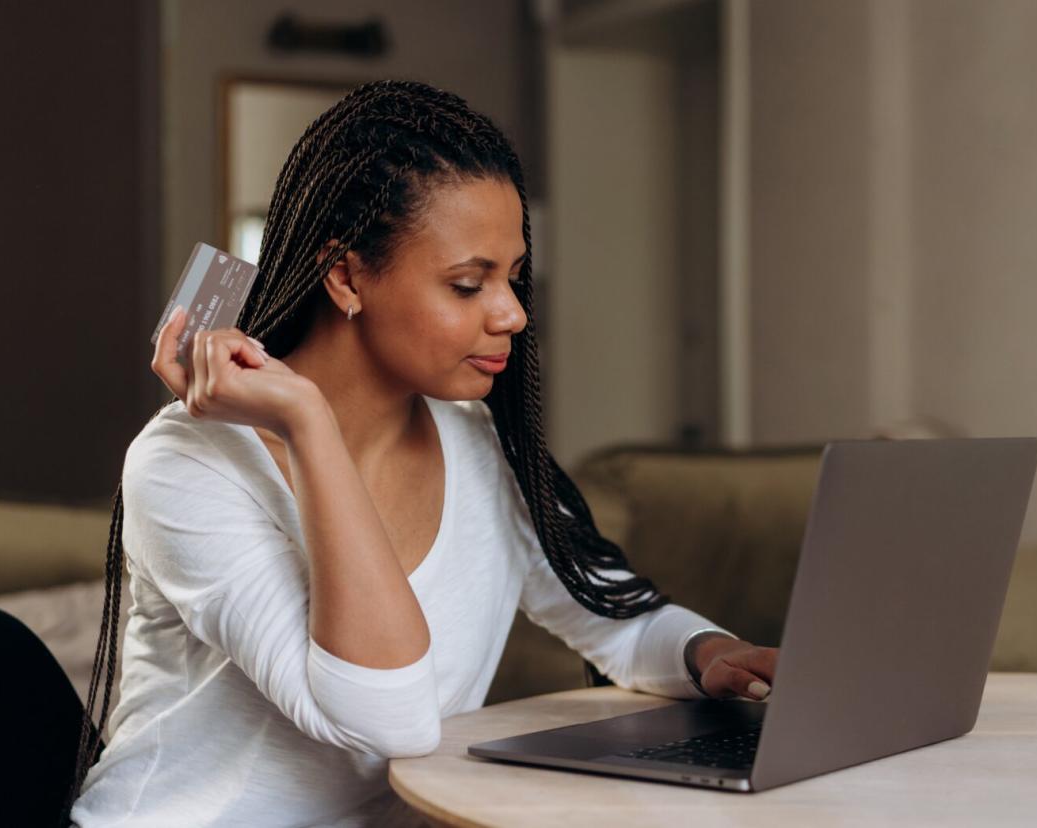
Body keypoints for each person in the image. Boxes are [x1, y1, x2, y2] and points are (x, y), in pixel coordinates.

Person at [65, 79, 778, 827]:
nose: (513, 313)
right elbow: (385, 720)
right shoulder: (186, 465)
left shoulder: (479, 446)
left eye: (511, 276)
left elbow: (613, 617)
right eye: (468, 284)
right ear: (345, 275)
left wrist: (708, 653)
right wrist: (309, 422)